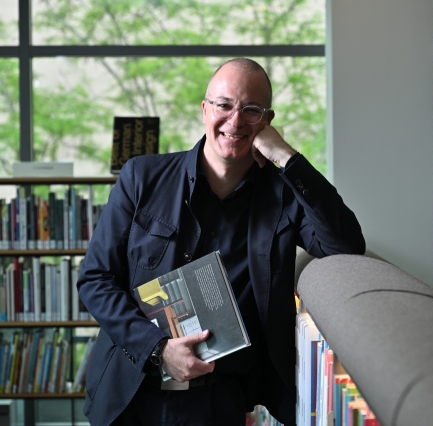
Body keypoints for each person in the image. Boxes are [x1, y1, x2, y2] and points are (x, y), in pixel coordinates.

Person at [77, 57, 365, 426]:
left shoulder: (283, 199)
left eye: (251, 110)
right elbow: (95, 280)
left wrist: (286, 157)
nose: (235, 120)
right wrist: (158, 349)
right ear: (204, 109)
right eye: (224, 105)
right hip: (131, 391)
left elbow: (345, 244)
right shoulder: (142, 178)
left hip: (218, 402)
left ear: (267, 121)